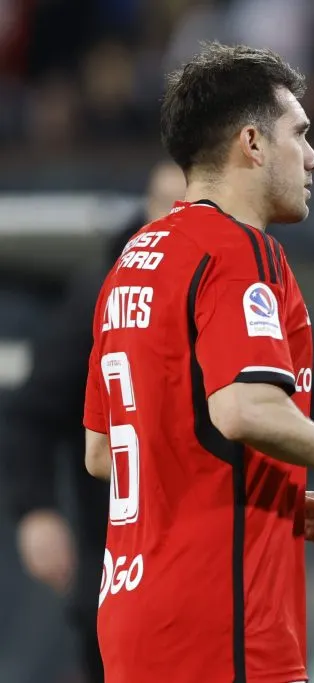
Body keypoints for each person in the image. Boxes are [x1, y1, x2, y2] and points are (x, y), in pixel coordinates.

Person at [82, 42, 314, 683]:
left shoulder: (134, 261)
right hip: (222, 626)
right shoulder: (237, 250)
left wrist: (263, 495)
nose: (313, 157)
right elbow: (244, 408)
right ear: (252, 143)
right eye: (300, 134)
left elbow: (102, 451)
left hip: (134, 616)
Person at [1, 159, 186, 683]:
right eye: (164, 207)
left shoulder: (245, 285)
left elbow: (304, 399)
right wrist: (36, 508)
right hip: (119, 565)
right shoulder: (101, 294)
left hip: (222, 571)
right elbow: (34, 411)